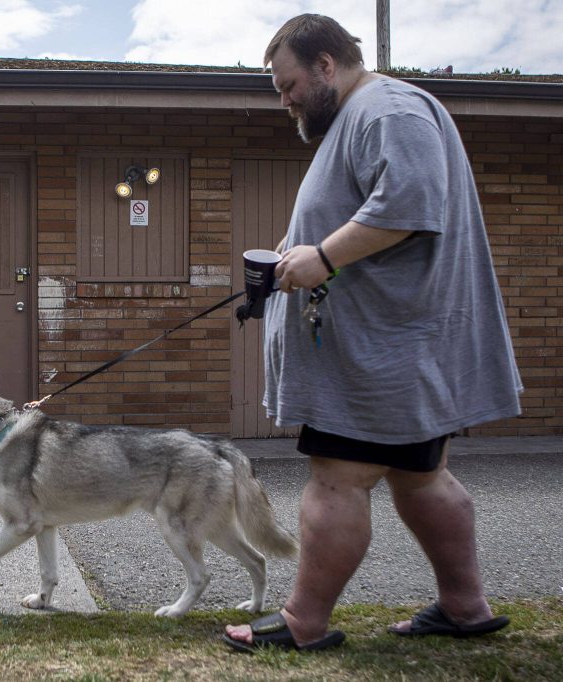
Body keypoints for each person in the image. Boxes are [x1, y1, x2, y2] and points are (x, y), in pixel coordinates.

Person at [222, 14, 523, 653]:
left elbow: (409, 209)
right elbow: (371, 208)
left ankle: (304, 622)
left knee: (337, 478)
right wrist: (299, 246)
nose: (286, 101)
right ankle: (465, 607)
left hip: (377, 350)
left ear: (327, 63)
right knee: (420, 476)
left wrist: (323, 257)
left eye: (290, 84)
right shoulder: (369, 116)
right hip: (395, 346)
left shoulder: (389, 112)